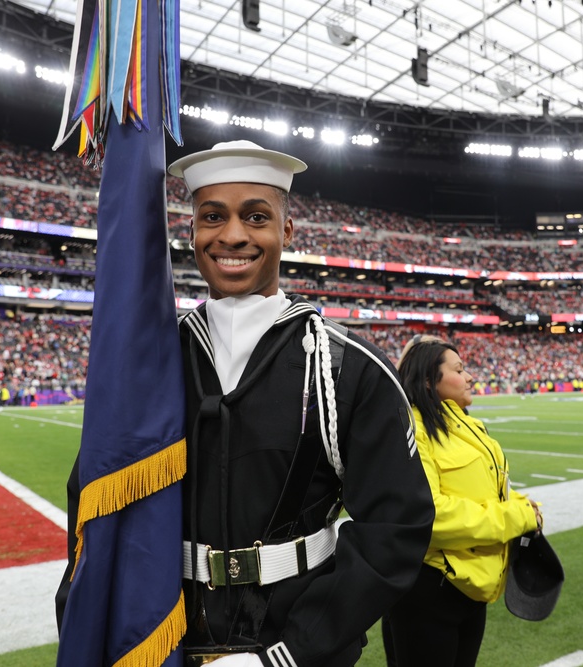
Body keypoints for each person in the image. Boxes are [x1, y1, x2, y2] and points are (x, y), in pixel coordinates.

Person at [57, 140, 435, 667]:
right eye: (212, 216)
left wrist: (288, 654)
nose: (232, 235)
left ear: (286, 231)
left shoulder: (351, 368)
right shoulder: (145, 371)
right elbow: (92, 510)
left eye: (255, 217)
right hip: (164, 648)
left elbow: (396, 529)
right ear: (191, 232)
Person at [382, 335, 542, 667]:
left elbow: (484, 491)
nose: (470, 376)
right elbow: (430, 514)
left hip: (471, 588)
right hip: (430, 589)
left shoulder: (466, 424)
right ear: (429, 379)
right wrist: (517, 516)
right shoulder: (410, 427)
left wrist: (524, 505)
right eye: (459, 369)